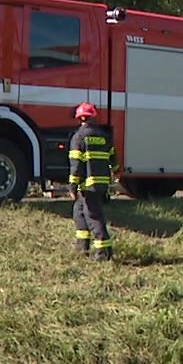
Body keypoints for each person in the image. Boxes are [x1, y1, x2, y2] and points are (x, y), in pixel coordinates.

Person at [68, 102, 113, 261]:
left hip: (88, 185)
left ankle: (104, 252)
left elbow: (76, 165)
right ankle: (82, 246)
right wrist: (116, 172)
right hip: (101, 183)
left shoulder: (79, 137)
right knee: (79, 211)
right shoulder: (104, 136)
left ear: (79, 118)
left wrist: (72, 186)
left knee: (94, 217)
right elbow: (113, 158)